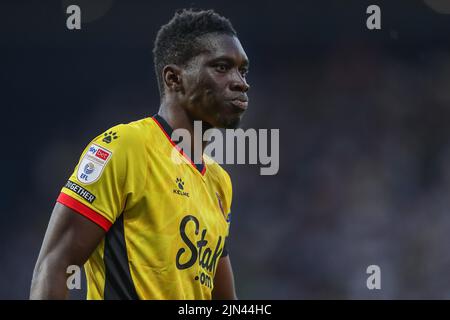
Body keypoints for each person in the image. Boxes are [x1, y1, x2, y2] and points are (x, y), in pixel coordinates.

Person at [30, 8, 250, 300]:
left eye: (242, 70)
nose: (240, 82)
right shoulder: (125, 147)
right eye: (222, 67)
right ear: (174, 79)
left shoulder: (220, 182)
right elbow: (55, 265)